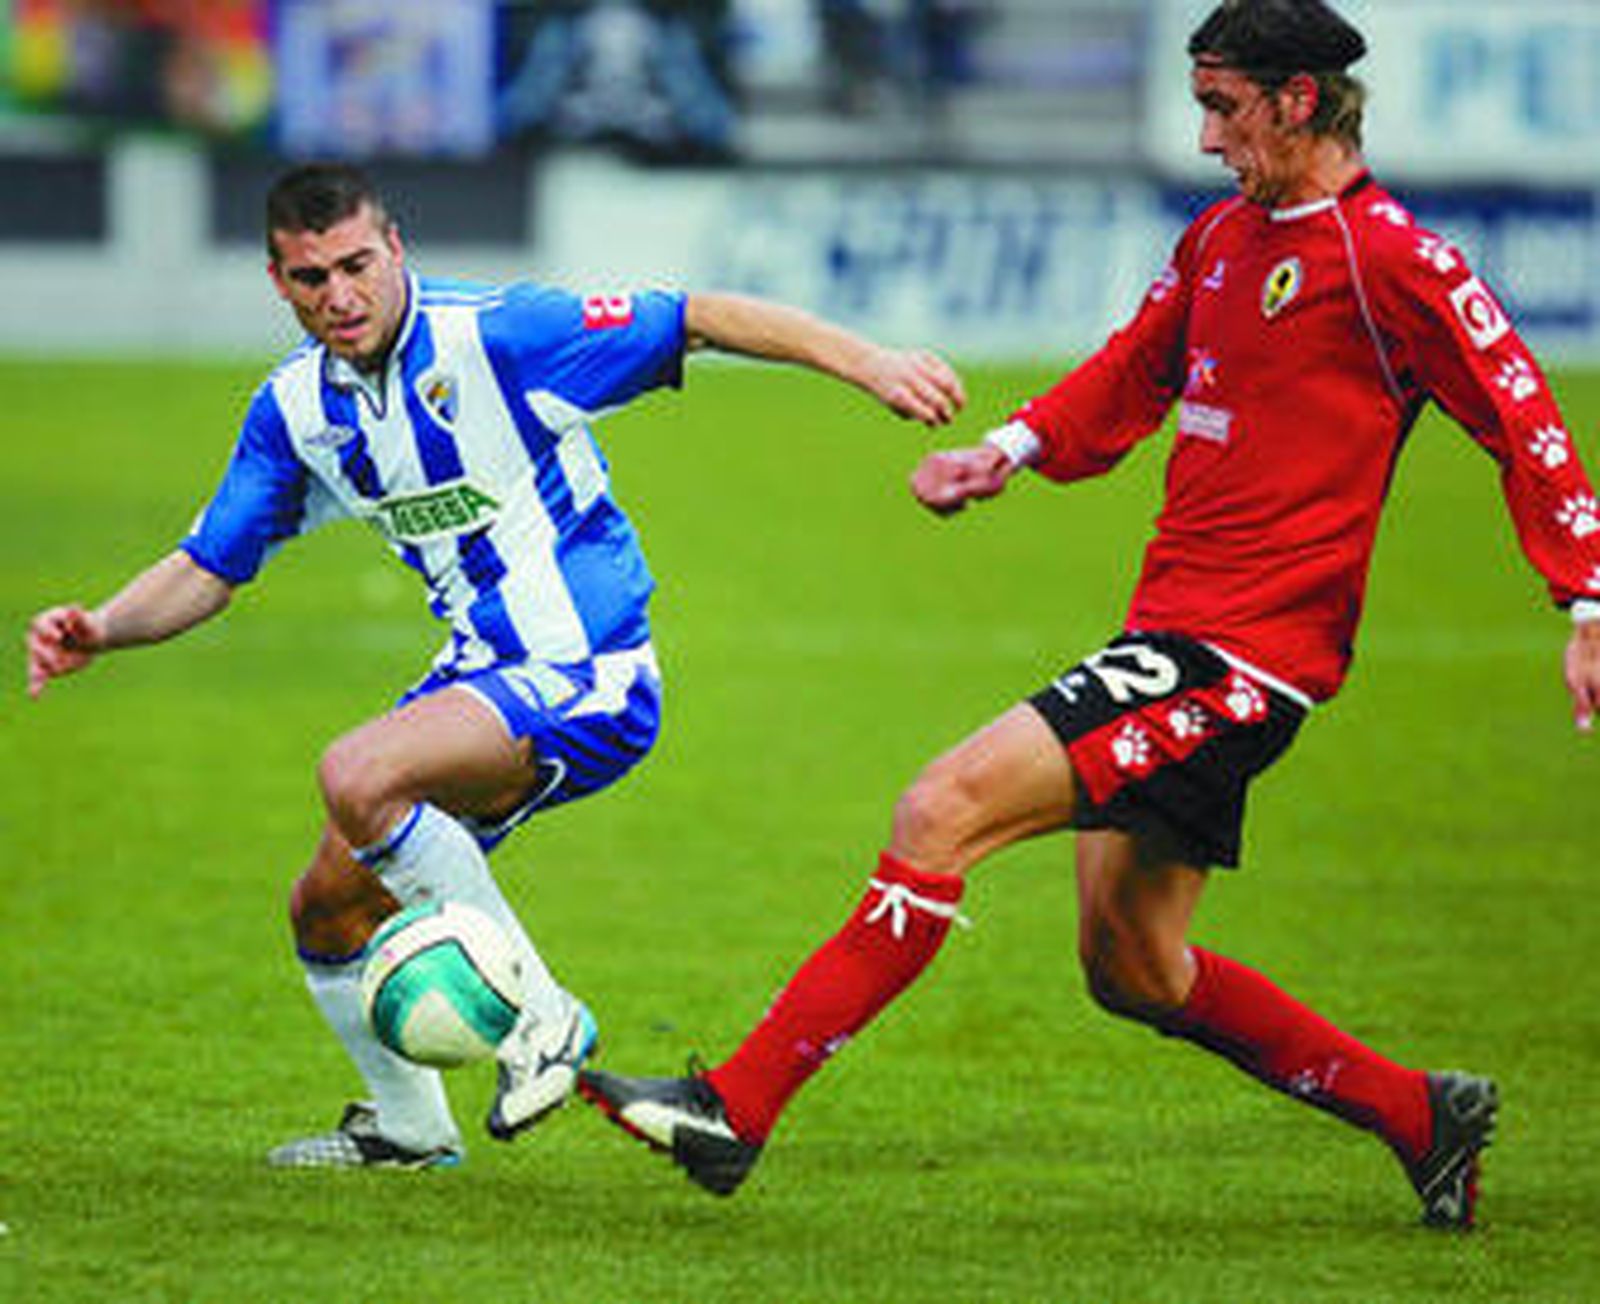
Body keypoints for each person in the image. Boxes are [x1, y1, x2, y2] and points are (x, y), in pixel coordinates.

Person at [577, 0, 1600, 1230]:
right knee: (1134, 967)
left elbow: (1523, 415)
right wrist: (1006, 450)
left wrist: (1587, 595)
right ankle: (1421, 1113)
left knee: (940, 806)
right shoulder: (1219, 237)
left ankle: (732, 1108)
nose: (1207, 137)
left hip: (1242, 657)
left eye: (1224, 107)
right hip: (1171, 634)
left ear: (1298, 100)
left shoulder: (1396, 261)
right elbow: (1133, 366)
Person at [24, 161, 965, 1170]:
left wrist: (871, 363)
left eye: (357, 265)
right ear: (277, 281)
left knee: (356, 773)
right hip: (480, 672)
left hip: (589, 668)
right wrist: (103, 627)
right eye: (311, 278)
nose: (339, 296)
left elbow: (698, 315)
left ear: (396, 249)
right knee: (328, 907)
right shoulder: (295, 409)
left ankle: (544, 1018)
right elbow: (212, 564)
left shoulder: (500, 335)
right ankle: (410, 1130)